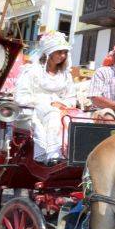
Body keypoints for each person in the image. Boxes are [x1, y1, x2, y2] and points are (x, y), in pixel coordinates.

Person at [14, 31, 77, 164]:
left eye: (65, 52)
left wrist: (60, 103)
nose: (63, 55)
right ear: (49, 52)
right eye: (59, 52)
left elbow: (71, 98)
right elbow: (21, 97)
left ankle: (73, 154)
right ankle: (52, 154)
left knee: (78, 118)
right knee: (52, 113)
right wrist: (48, 103)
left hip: (61, 109)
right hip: (33, 109)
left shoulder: (65, 75)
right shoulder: (32, 71)